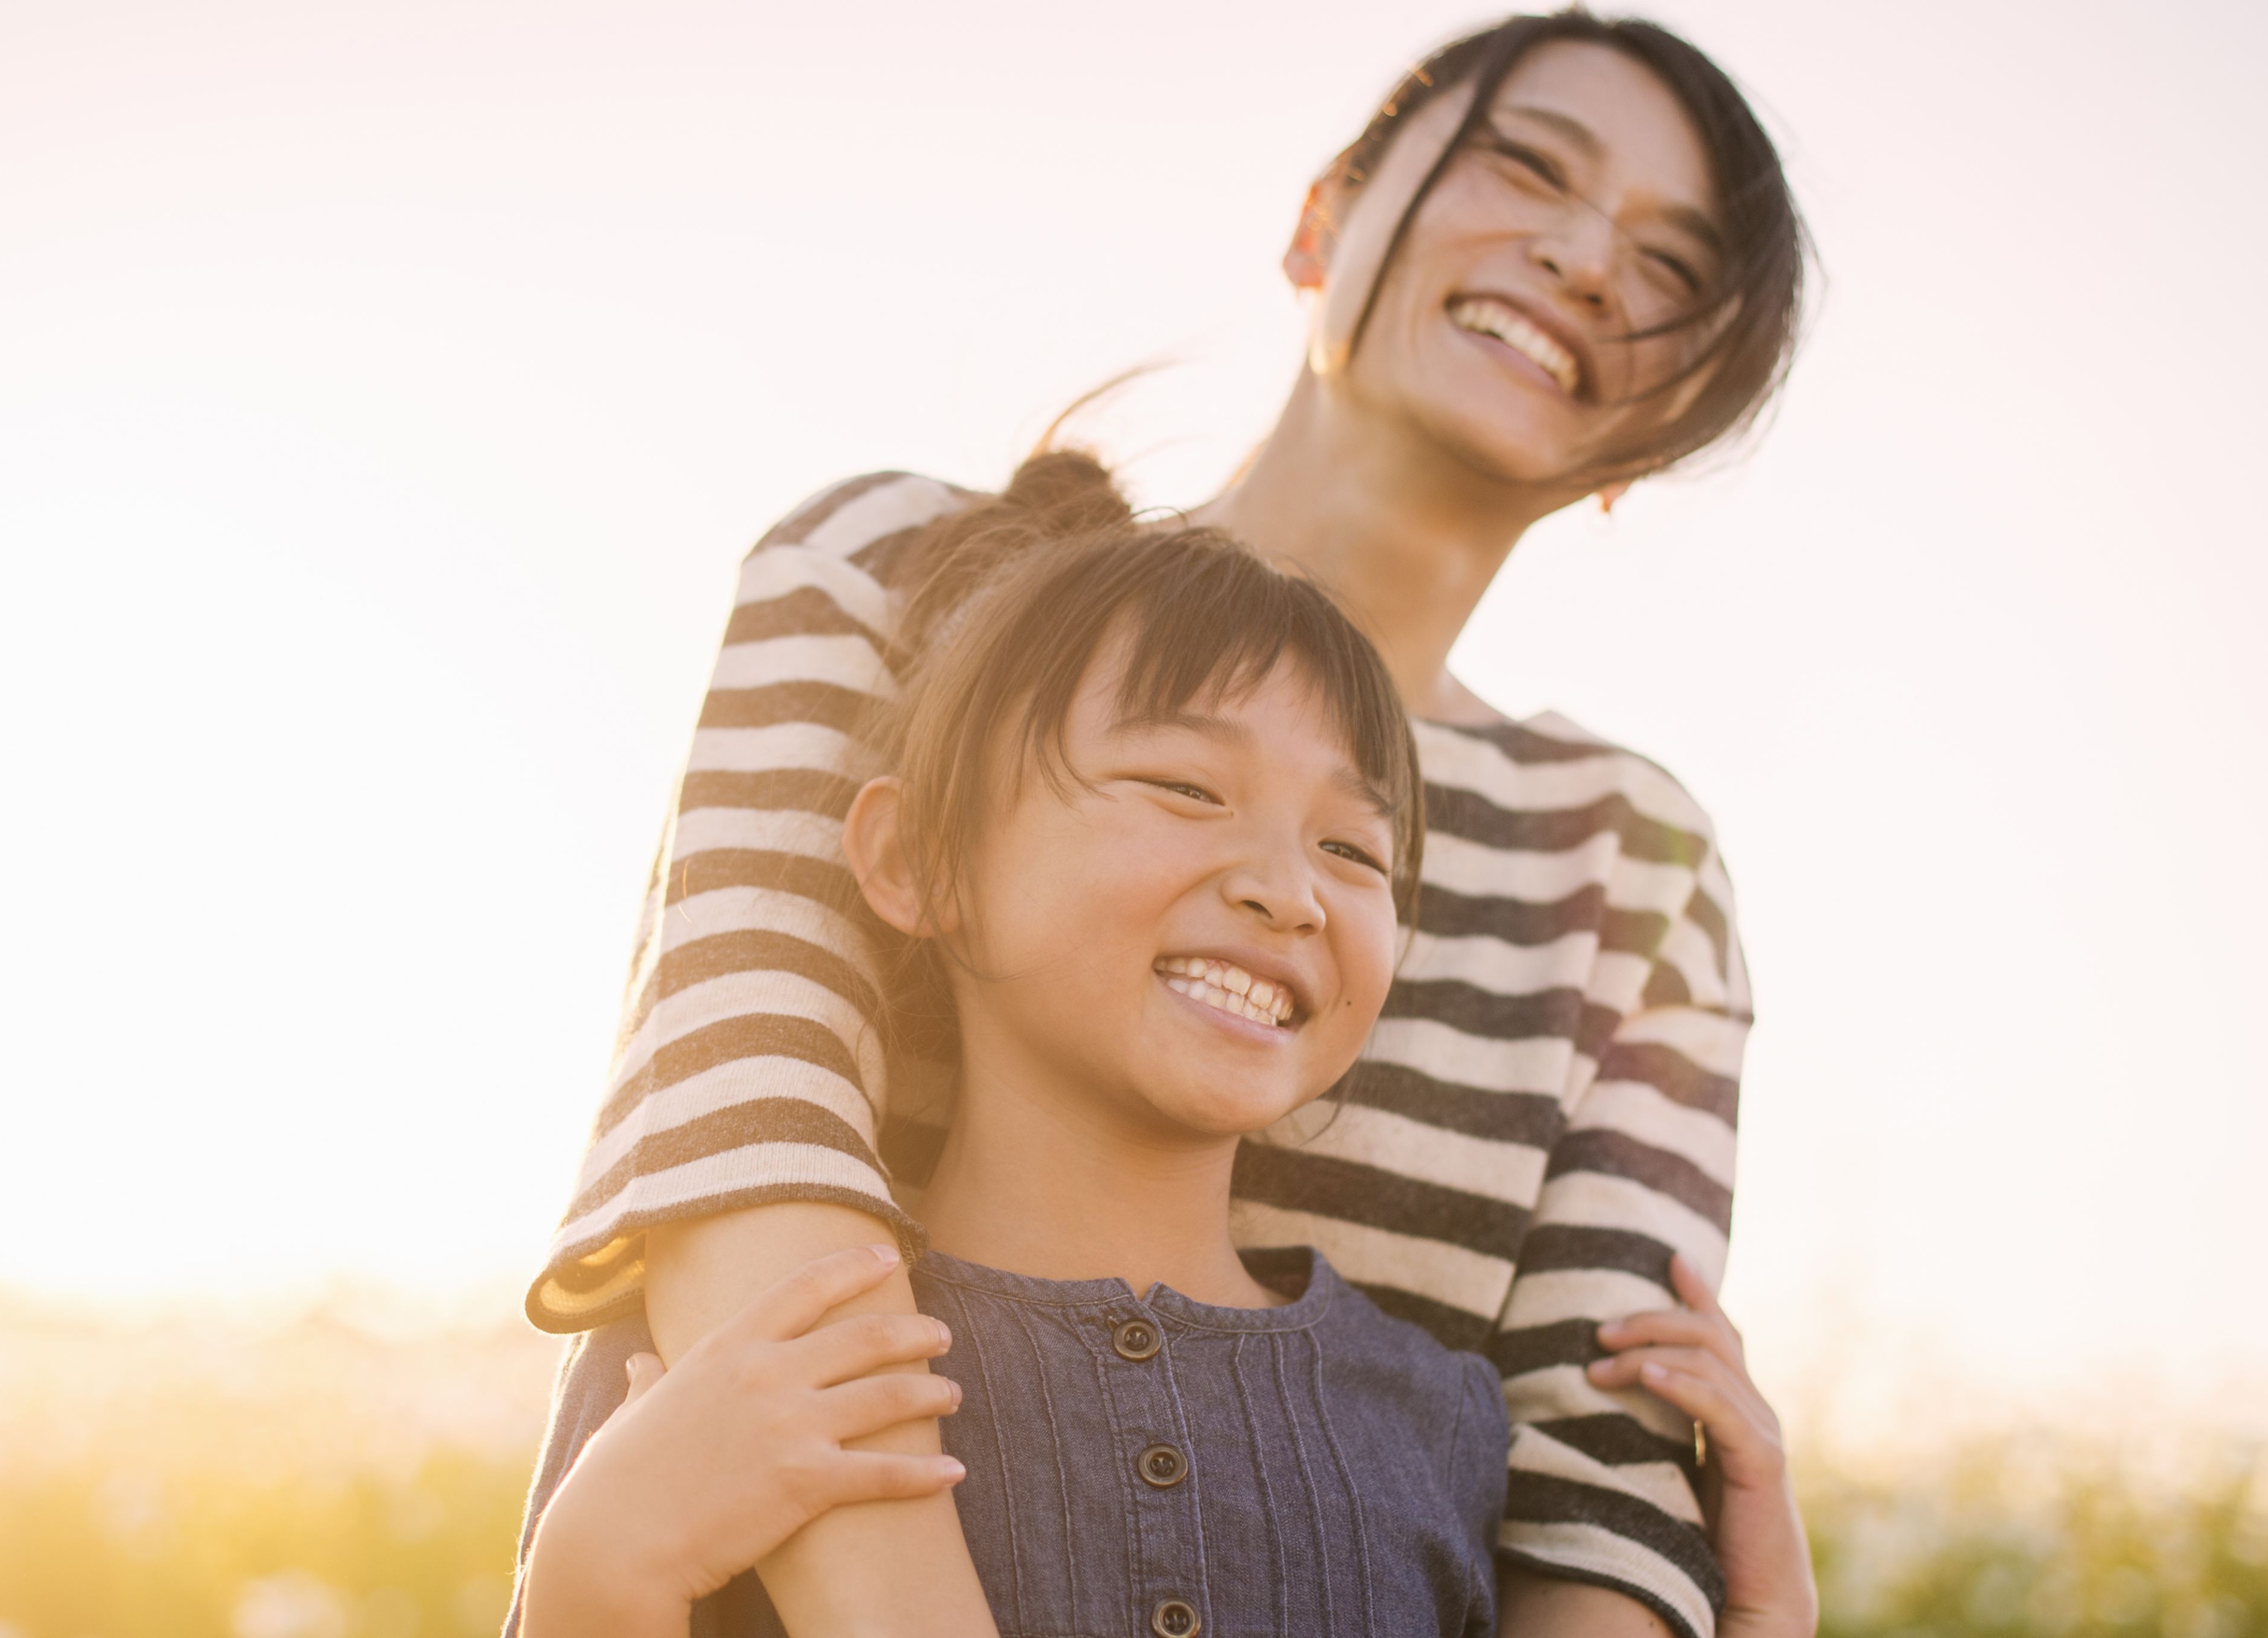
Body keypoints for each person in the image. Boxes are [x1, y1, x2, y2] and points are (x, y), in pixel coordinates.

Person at [514, 10, 1813, 1637]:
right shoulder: (893, 574)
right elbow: (740, 1127)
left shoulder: (1631, 863)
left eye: (1672, 267)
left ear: (1668, 423)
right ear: (1323, 217)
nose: (1585, 259)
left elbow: (1595, 1473)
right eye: (1530, 168)